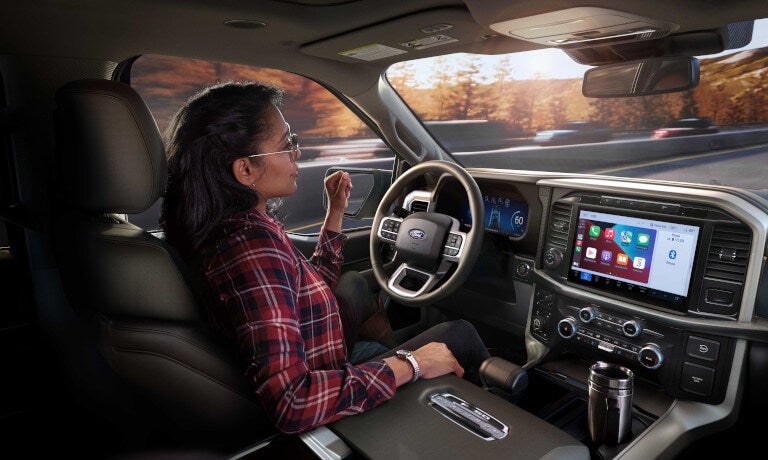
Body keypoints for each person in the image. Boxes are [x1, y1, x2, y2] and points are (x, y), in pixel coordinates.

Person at [160, 81, 490, 434]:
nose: (297, 153)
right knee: (460, 333)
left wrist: (336, 213)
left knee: (350, 286)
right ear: (245, 171)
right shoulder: (251, 247)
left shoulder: (233, 228)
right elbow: (293, 402)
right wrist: (412, 364)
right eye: (287, 144)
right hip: (328, 400)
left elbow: (301, 286)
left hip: (327, 364)